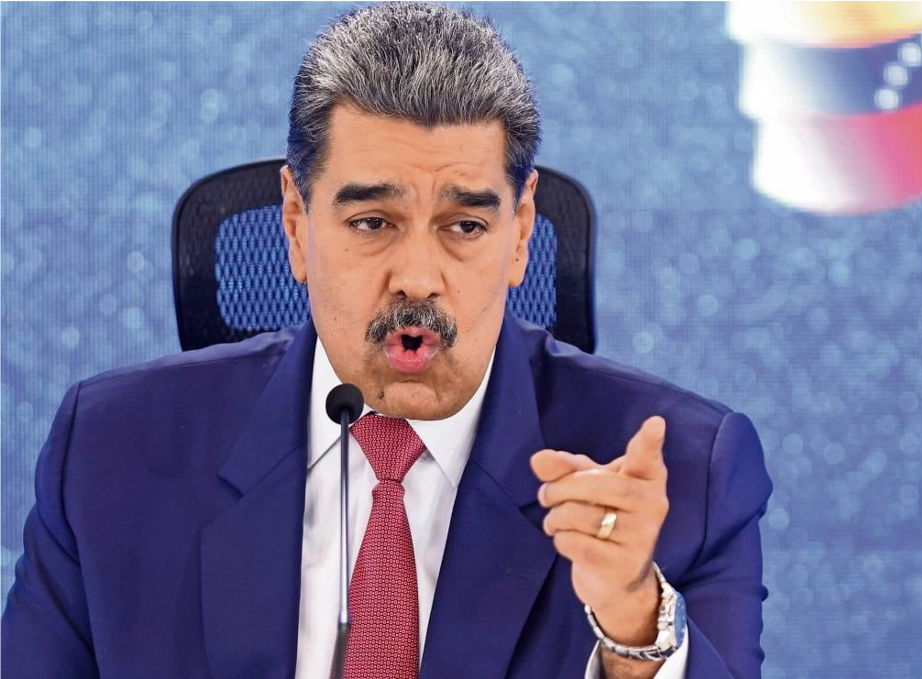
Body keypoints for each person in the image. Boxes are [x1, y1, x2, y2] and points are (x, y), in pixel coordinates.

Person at [0, 3, 772, 677]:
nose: (418, 278)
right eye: (373, 222)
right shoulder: (108, 453)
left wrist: (634, 621)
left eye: (464, 226)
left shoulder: (683, 477)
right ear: (296, 222)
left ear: (520, 233)